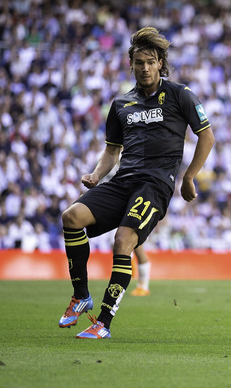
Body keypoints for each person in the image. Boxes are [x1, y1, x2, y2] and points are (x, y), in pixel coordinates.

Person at [58, 27, 215, 339]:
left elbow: (206, 136)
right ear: (130, 64)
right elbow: (111, 151)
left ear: (160, 64)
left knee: (123, 240)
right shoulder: (121, 104)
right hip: (123, 180)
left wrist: (189, 176)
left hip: (155, 186)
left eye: (151, 62)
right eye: (139, 62)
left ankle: (103, 322)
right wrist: (96, 175)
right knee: (71, 217)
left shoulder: (180, 95)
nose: (145, 67)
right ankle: (81, 295)